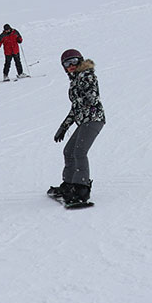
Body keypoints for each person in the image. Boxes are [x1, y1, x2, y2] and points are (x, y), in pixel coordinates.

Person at [47, 49, 105, 206]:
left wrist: (83, 99)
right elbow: (75, 108)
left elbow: (92, 98)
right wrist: (63, 127)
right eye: (66, 64)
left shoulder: (87, 75)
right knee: (68, 151)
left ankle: (82, 189)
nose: (70, 66)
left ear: (80, 61)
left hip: (94, 119)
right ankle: (69, 184)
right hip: (84, 120)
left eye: (73, 62)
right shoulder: (75, 80)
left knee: (79, 152)